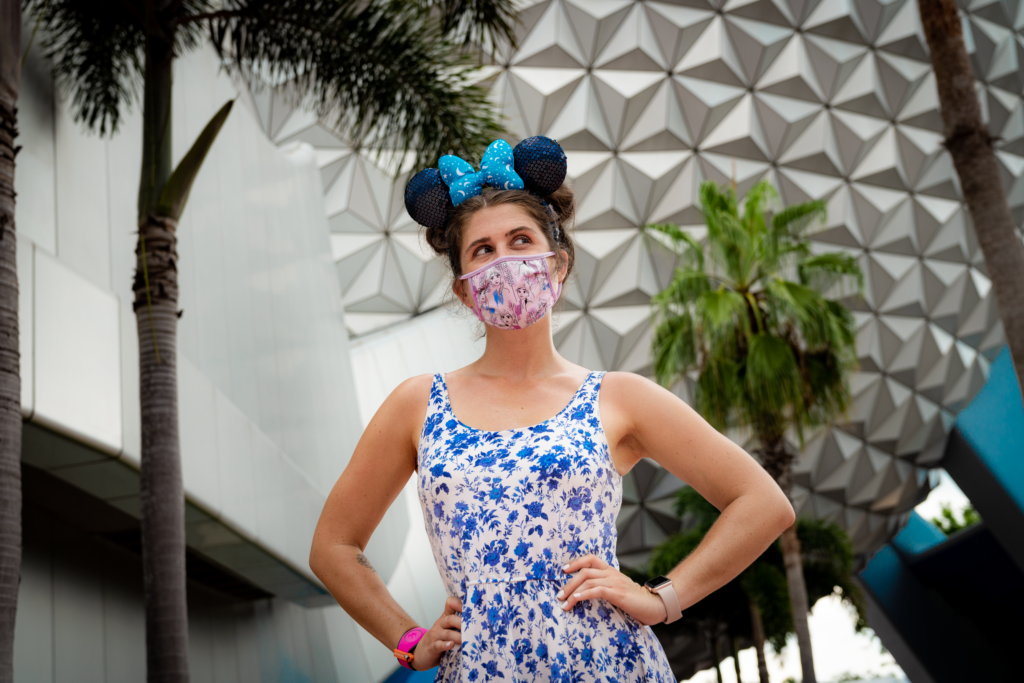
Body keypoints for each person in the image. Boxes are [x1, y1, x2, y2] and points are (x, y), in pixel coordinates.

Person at [309, 137, 795, 682]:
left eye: (521, 240)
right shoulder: (417, 404)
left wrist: (662, 599)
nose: (506, 262)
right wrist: (408, 641)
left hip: (611, 663)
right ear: (465, 289)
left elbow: (763, 503)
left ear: (557, 264)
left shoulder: (618, 396)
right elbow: (333, 546)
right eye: (483, 250)